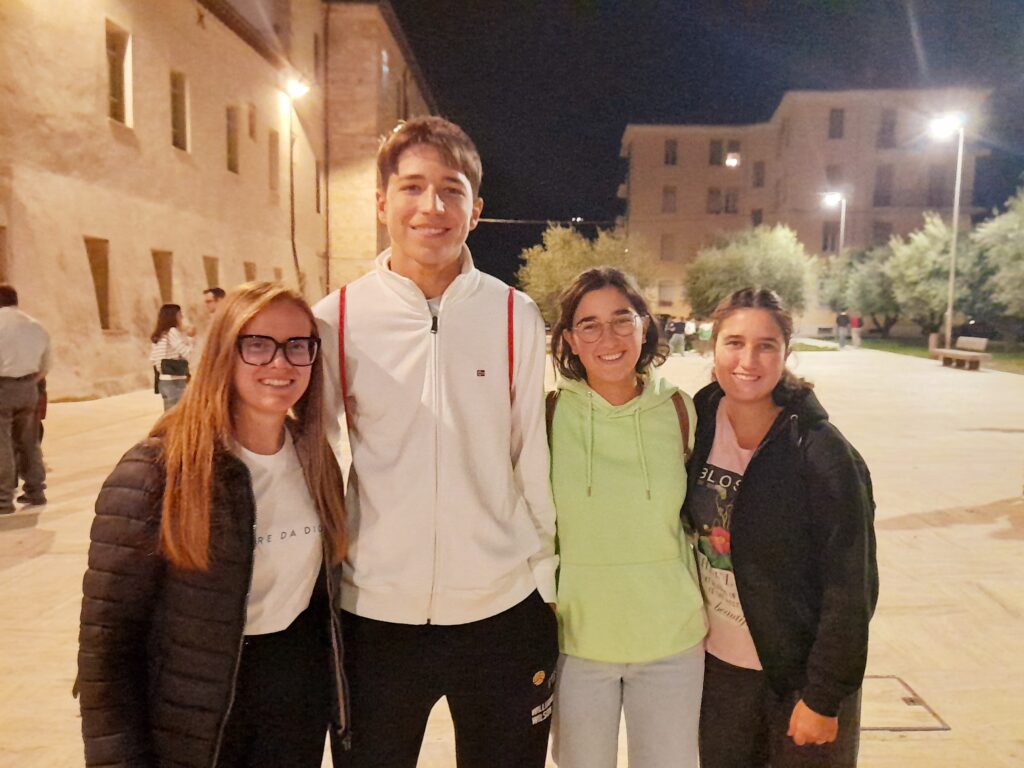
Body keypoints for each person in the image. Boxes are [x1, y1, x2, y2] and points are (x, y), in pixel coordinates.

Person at [313, 116, 557, 768]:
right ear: (381, 202)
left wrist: (545, 580)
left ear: (475, 210)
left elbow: (530, 454)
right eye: (413, 187)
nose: (432, 206)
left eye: (451, 190)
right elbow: (312, 461)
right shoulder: (336, 319)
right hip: (374, 616)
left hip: (501, 608)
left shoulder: (514, 315)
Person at [78, 282, 348, 768]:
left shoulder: (314, 459)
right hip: (195, 708)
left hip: (293, 702)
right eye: (258, 345)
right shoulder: (157, 470)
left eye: (298, 346)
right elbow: (108, 646)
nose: (281, 363)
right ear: (224, 352)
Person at [683, 288, 878, 768]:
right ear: (713, 346)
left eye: (765, 345)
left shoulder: (822, 452)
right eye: (734, 342)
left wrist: (824, 696)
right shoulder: (696, 423)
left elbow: (851, 586)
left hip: (798, 678)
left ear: (785, 352)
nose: (748, 360)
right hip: (719, 670)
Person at [547, 267, 706, 768]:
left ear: (645, 326)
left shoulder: (680, 410)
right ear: (570, 341)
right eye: (589, 325)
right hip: (577, 639)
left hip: (671, 638)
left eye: (622, 319)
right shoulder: (546, 416)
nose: (609, 338)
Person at [0, 283, 50, 514]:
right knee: (29, 441)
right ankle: (35, 490)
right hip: (29, 388)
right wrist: (28, 381)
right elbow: (45, 366)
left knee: (3, 443)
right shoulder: (36, 326)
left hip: (3, 387)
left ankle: (3, 499)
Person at [150, 303, 194, 411]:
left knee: (169, 414)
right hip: (175, 381)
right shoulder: (172, 332)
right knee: (178, 416)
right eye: (180, 315)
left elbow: (153, 359)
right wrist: (191, 338)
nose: (181, 318)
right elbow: (186, 353)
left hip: (163, 381)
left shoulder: (159, 335)